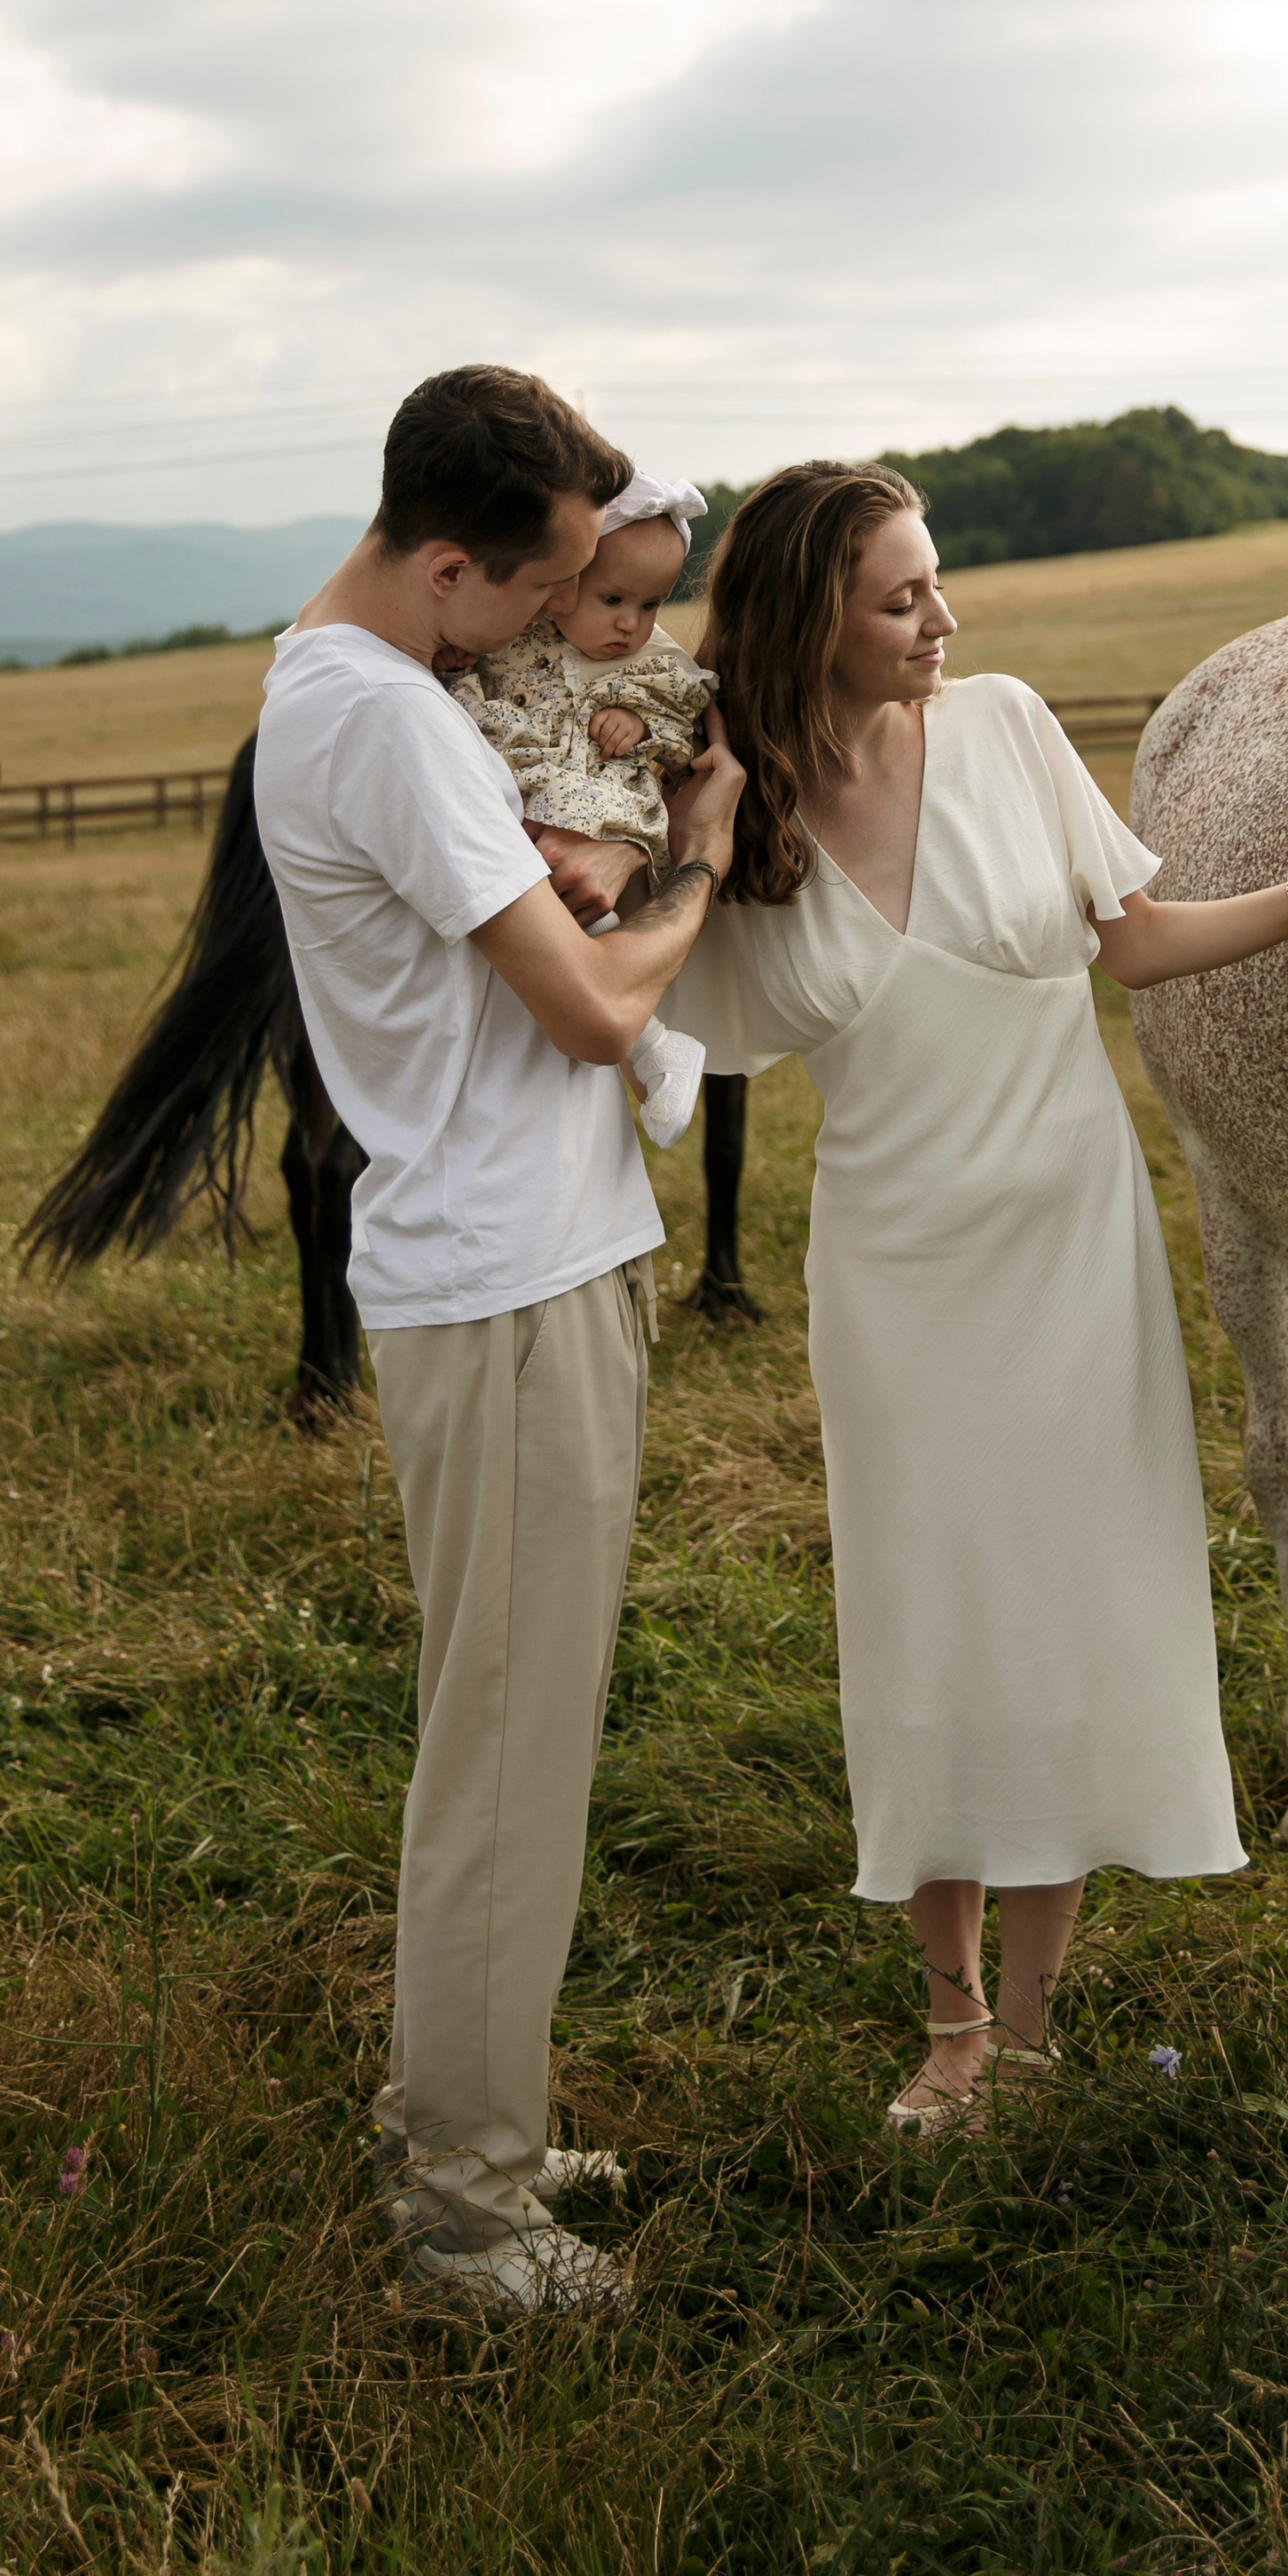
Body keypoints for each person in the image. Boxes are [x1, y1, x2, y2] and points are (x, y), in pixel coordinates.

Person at [664, 462, 1288, 2132]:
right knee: (930, 1624)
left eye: (938, 584)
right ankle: (948, 2025)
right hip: (896, 1276)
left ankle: (1028, 2028)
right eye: (901, 598)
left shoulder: (1011, 728)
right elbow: (634, 1006)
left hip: (1073, 1255)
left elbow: (1139, 943)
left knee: (1074, 1607)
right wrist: (680, 826)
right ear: (815, 615)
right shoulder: (736, 810)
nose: (943, 621)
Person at [255, 366, 744, 2306]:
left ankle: (467, 2112)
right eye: (537, 589)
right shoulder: (385, 725)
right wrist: (697, 843)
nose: (559, 623)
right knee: (507, 1753)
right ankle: (463, 2209)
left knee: (501, 1729)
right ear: (443, 561)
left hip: (512, 1260)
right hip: (508, 1275)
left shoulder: (362, 682)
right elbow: (596, 1013)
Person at [448, 472, 714, 1148]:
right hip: (533, 789)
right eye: (613, 598)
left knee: (569, 887)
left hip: (606, 803)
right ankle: (652, 1048)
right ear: (562, 585)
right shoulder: (518, 637)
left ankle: (649, 1044)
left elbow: (684, 721)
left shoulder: (654, 662)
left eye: (651, 604)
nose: (632, 622)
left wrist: (639, 719)